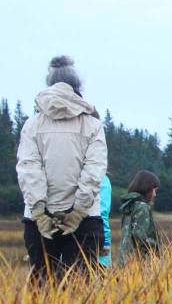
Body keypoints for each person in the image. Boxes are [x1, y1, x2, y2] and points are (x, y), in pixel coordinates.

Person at [16, 56, 107, 283]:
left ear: (49, 85)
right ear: (78, 86)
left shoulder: (32, 125)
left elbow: (29, 169)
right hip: (85, 220)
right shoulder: (93, 125)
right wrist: (77, 212)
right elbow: (94, 172)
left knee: (42, 291)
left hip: (39, 222)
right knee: (82, 292)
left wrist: (39, 212)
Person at [118, 170, 160, 262]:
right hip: (138, 261)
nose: (154, 194)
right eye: (154, 190)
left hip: (124, 258)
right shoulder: (142, 207)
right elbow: (140, 236)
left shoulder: (129, 205)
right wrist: (156, 246)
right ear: (146, 188)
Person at [98, 175, 113, 267]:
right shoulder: (102, 179)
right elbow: (102, 212)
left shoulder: (70, 175)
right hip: (94, 236)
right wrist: (105, 242)